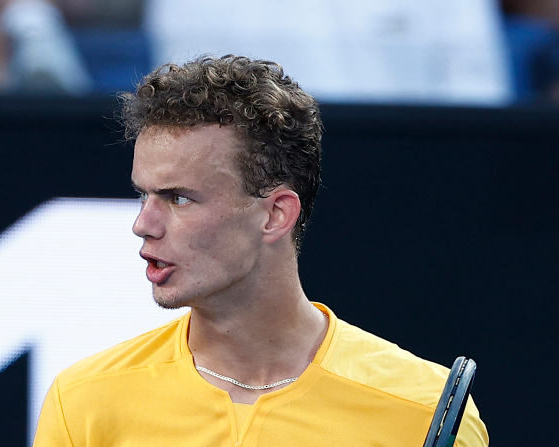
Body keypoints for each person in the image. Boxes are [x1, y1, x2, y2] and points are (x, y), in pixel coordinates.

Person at [32, 55, 489, 446]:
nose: (142, 225)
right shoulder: (84, 402)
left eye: (179, 198)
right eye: (143, 196)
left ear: (275, 215)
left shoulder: (422, 409)